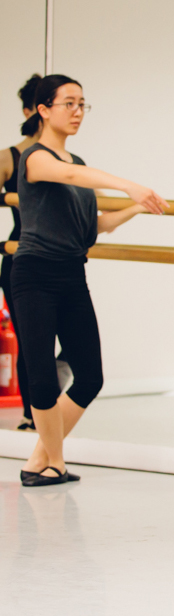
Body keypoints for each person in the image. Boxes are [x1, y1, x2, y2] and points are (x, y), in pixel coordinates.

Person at [13, 74, 169, 486]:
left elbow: (96, 224)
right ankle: (54, 463)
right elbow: (67, 178)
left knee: (91, 376)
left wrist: (138, 207)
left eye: (83, 104)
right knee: (43, 377)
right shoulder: (35, 158)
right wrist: (127, 185)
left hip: (71, 275)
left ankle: (39, 462)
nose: (78, 111)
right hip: (33, 275)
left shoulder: (78, 164)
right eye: (69, 103)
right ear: (44, 109)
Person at [1, 74, 40, 430]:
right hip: (19, 253)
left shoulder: (67, 160)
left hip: (58, 256)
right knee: (30, 338)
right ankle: (33, 413)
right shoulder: (9, 157)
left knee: (64, 341)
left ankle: (46, 401)